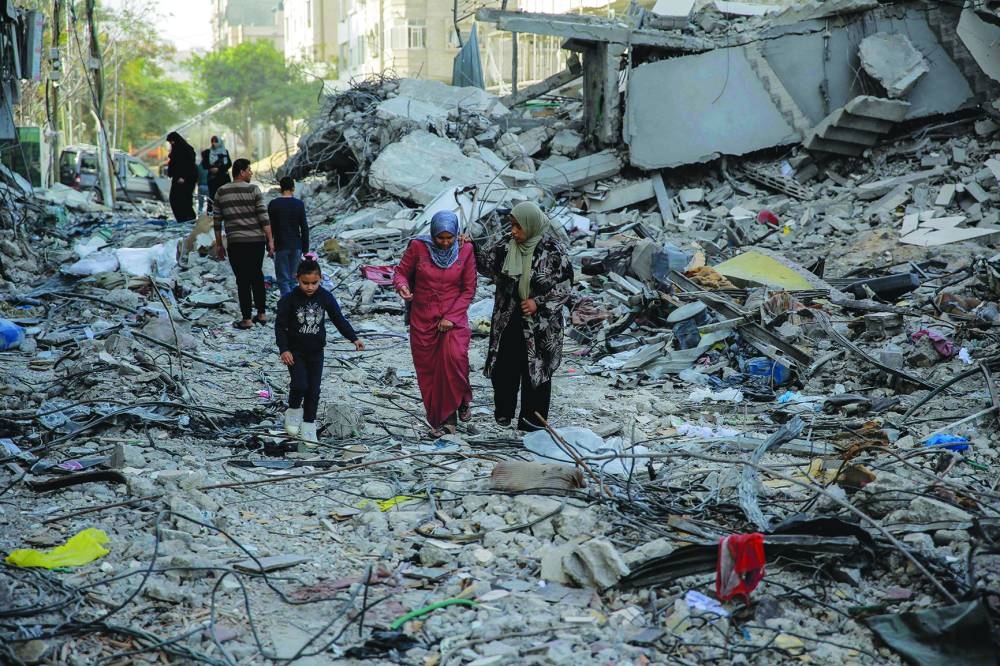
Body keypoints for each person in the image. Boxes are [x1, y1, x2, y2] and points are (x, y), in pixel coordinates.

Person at [464, 202, 573, 432]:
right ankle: (504, 412)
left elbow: (564, 288)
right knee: (504, 368)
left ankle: (532, 423)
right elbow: (487, 266)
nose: (513, 231)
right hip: (509, 317)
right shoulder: (507, 245)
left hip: (541, 325)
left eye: (518, 226)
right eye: (512, 225)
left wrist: (538, 303)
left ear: (531, 225)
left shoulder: (553, 251)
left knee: (537, 373)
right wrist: (471, 247)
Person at [394, 211, 477, 438]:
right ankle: (444, 420)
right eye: (440, 238)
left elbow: (468, 289)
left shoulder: (465, 250)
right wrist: (402, 286)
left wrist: (451, 317)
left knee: (455, 358)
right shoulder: (418, 247)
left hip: (454, 316)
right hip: (423, 318)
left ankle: (461, 398)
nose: (445, 242)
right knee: (430, 372)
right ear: (432, 234)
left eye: (449, 237)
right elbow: (401, 272)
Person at [276, 257, 365, 443]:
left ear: (321, 279)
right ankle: (293, 411)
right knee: (300, 384)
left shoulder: (325, 297)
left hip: (316, 352)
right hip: (295, 352)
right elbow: (280, 326)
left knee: (314, 391)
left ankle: (309, 426)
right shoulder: (288, 300)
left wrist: (353, 337)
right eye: (305, 283)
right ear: (297, 278)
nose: (310, 287)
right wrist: (284, 349)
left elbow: (338, 319)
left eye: (314, 283)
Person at [213, 159, 275, 330]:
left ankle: (247, 318)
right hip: (256, 241)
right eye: (249, 170)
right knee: (257, 275)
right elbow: (264, 217)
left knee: (242, 280)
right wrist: (270, 241)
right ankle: (262, 314)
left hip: (236, 242)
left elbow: (217, 222)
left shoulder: (221, 192)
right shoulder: (254, 190)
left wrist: (219, 245)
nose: (251, 173)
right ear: (241, 172)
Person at [268, 176, 309, 296]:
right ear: (293, 188)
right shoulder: (299, 204)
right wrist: (305, 249)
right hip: (296, 246)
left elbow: (269, 227)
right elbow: (304, 227)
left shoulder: (274, 204)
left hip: (280, 246)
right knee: (293, 279)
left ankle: (287, 307)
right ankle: (294, 307)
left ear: (281, 188)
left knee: (283, 280)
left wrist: (268, 246)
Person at [165, 131, 197, 223]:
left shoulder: (186, 149)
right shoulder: (175, 149)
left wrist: (183, 176)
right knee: (175, 199)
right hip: (177, 178)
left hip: (186, 179)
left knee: (184, 199)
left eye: (172, 141)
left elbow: (189, 164)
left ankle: (189, 219)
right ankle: (181, 219)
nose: (171, 144)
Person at [202, 135, 232, 212]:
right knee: (213, 197)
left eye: (216, 141)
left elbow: (229, 164)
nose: (214, 143)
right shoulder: (208, 152)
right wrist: (211, 168)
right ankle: (211, 215)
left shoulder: (225, 152)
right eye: (212, 141)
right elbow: (204, 165)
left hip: (224, 178)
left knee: (226, 196)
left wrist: (218, 169)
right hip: (213, 179)